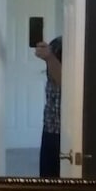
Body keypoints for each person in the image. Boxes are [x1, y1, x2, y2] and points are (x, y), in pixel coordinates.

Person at [35, 36, 62, 177]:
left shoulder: (78, 47)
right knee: (47, 178)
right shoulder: (56, 43)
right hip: (50, 125)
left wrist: (50, 58)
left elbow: (67, 84)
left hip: (65, 130)